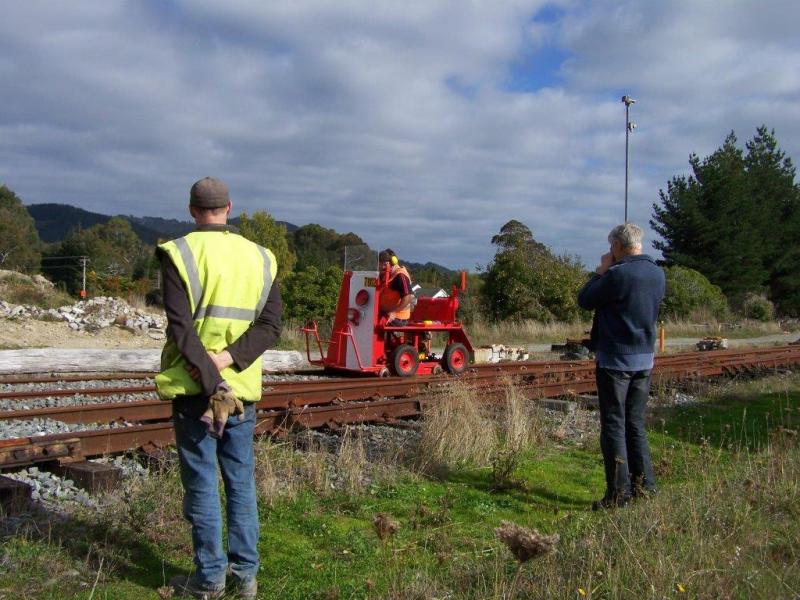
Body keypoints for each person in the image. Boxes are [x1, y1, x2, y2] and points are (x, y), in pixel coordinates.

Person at [156, 177, 281, 599]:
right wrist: (228, 367)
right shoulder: (262, 258)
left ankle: (209, 580)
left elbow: (181, 329)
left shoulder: (179, 253)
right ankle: (245, 577)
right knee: (241, 483)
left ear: (192, 210)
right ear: (229, 208)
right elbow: (270, 326)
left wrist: (211, 379)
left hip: (195, 393)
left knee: (203, 484)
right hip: (241, 393)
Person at [577, 222, 665, 509]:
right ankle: (646, 487)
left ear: (616, 246)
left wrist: (599, 270)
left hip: (616, 360)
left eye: (610, 247)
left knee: (614, 425)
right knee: (635, 424)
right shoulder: (657, 272)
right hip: (644, 359)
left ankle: (618, 495)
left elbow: (585, 298)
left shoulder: (617, 274)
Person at [377, 248, 414, 326]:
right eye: (380, 264)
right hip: (385, 313)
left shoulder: (400, 275)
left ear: (393, 262)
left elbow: (409, 297)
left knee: (376, 324)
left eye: (384, 264)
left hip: (399, 317)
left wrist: (394, 312)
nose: (382, 267)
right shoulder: (384, 275)